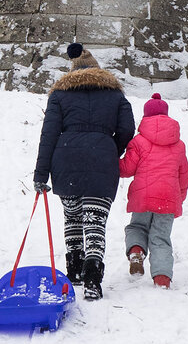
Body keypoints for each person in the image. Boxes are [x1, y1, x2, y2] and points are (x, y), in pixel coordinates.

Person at [33, 42, 135, 301]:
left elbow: (49, 135)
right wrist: (112, 148)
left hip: (65, 161)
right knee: (95, 222)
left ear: (72, 70)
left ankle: (75, 271)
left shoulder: (59, 95)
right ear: (98, 71)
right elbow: (127, 128)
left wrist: (40, 174)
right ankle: (93, 278)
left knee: (73, 219)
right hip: (102, 162)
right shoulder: (115, 94)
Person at [118, 92, 188, 288]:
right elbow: (184, 175)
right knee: (160, 237)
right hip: (168, 198)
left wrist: (112, 161)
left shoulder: (139, 141)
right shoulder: (179, 144)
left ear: (146, 116)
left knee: (137, 227)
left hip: (143, 196)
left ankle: (136, 251)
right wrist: (179, 197)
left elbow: (127, 169)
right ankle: (162, 279)